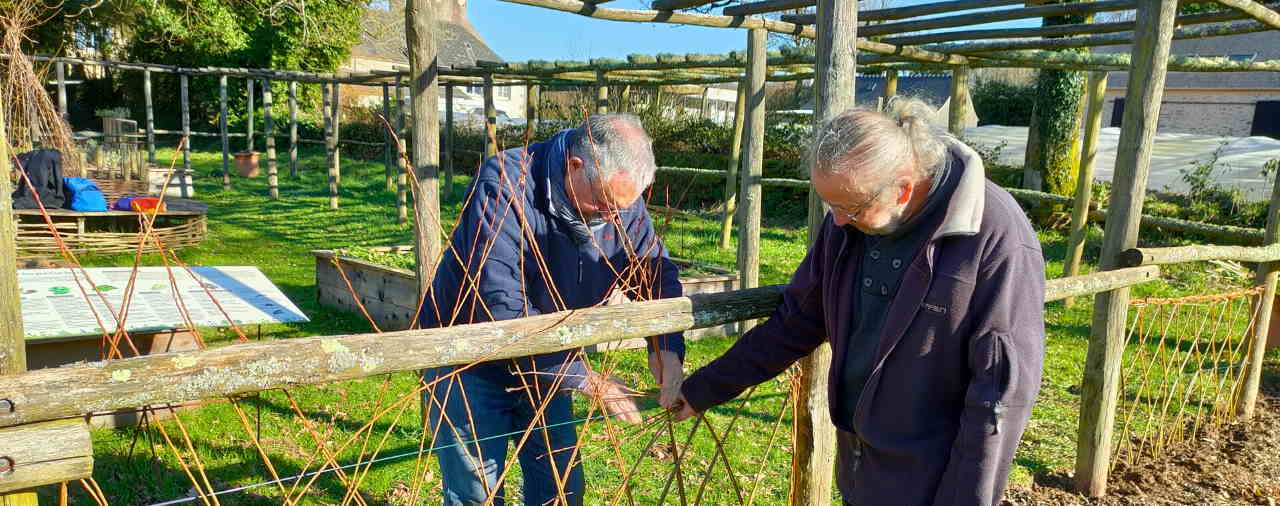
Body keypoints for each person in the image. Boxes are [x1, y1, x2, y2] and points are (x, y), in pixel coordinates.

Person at [673, 98, 1047, 506]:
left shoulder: (993, 237)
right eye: (829, 206)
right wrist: (705, 388)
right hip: (861, 468)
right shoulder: (852, 218)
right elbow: (796, 321)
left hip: (935, 480)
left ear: (903, 189)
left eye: (849, 207)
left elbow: (1000, 395)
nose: (835, 222)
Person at [419, 114, 686, 506]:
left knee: (560, 487)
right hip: (469, 361)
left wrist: (666, 346)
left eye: (623, 208)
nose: (613, 217)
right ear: (574, 165)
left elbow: (653, 273)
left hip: (548, 360)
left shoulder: (620, 202)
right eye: (605, 204)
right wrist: (589, 381)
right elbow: (500, 305)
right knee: (476, 493)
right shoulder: (504, 185)